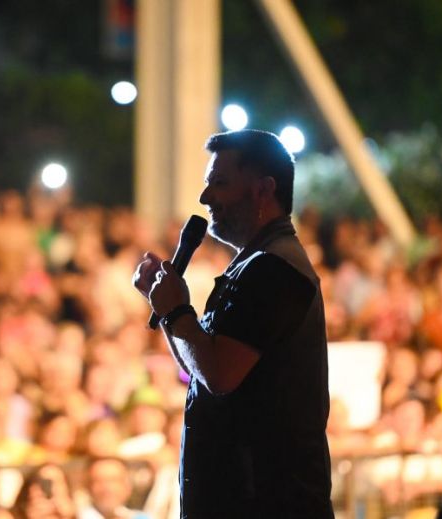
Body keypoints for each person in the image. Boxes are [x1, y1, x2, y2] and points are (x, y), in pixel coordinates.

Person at [132, 129, 333, 518]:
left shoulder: (274, 269)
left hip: (266, 502)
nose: (205, 198)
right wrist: (167, 305)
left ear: (263, 189)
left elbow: (220, 374)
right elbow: (203, 366)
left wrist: (176, 312)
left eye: (219, 184)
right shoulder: (255, 263)